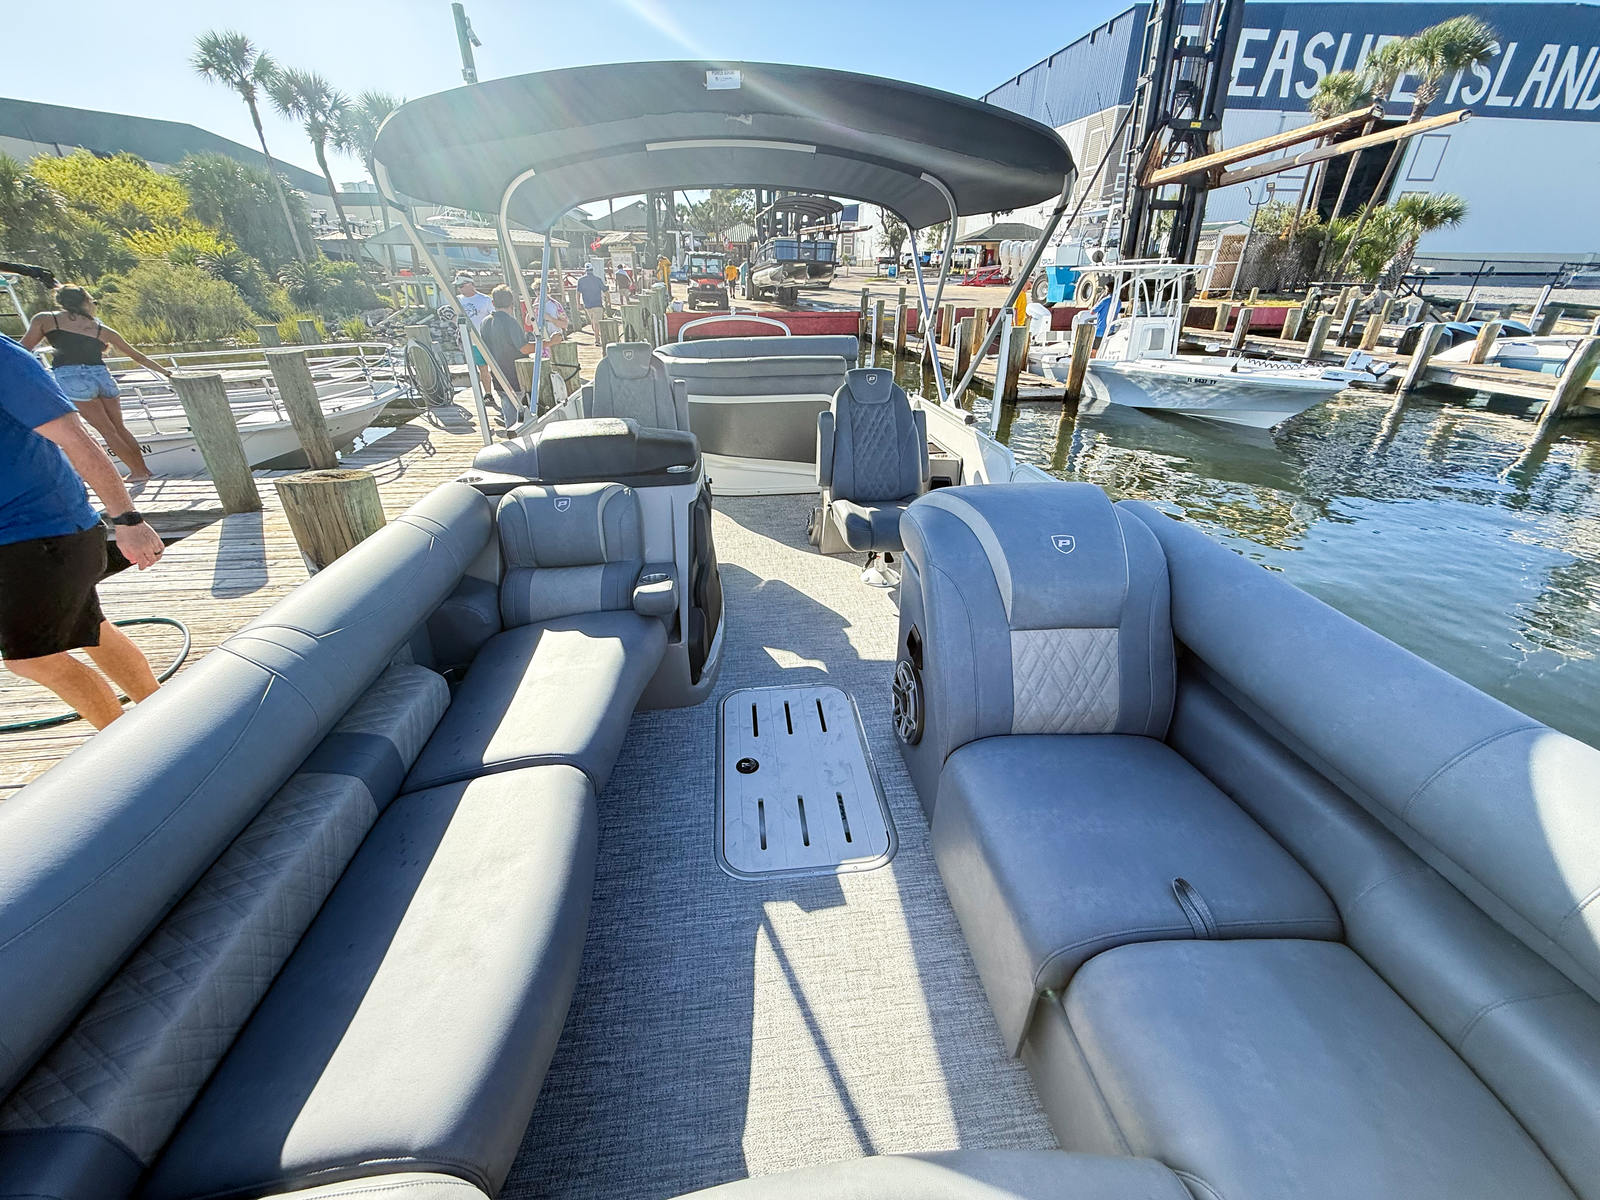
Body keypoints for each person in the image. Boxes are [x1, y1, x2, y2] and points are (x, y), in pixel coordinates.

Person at [1, 332, 165, 729]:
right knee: (90, 629)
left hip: (38, 531)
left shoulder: (4, 357)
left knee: (32, 659)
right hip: (27, 537)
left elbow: (76, 438)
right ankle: (168, 721)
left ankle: (133, 748)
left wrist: (127, 519)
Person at [21, 285, 172, 482]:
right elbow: (138, 356)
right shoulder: (100, 328)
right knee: (119, 427)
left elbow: (22, 349)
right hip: (102, 375)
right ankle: (142, 470)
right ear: (85, 301)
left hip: (72, 377)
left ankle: (138, 473)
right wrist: (167, 373)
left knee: (107, 431)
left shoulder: (46, 319)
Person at [454, 274, 493, 395]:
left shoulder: (485, 299)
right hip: (469, 341)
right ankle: (488, 393)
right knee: (481, 368)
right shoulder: (457, 300)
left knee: (495, 367)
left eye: (461, 286)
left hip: (486, 339)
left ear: (470, 284)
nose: (459, 289)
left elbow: (494, 316)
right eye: (458, 286)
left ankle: (501, 391)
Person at [576, 265, 606, 342]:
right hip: (598, 304)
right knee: (596, 322)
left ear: (585, 270)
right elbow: (605, 290)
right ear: (592, 270)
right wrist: (608, 301)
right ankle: (597, 336)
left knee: (594, 322)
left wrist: (578, 304)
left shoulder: (581, 280)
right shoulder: (598, 279)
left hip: (587, 305)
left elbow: (578, 293)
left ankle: (597, 338)